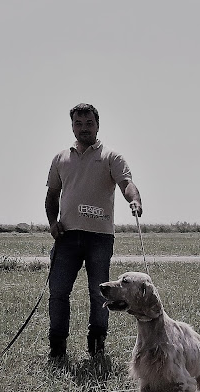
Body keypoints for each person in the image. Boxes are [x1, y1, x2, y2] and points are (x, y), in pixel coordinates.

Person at [45, 103, 143, 359]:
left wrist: (134, 200)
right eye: (78, 124)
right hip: (66, 237)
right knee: (58, 292)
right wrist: (53, 223)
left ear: (97, 125)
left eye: (89, 123)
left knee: (99, 292)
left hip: (99, 238)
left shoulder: (111, 157)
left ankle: (97, 345)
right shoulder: (61, 158)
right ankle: (57, 347)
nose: (84, 128)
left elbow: (126, 183)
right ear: (72, 127)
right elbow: (52, 195)